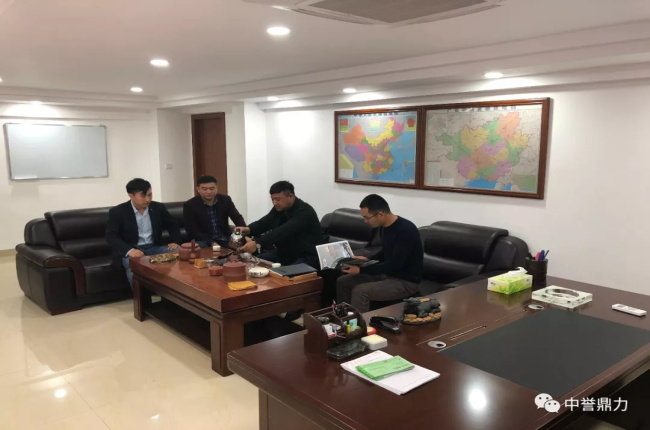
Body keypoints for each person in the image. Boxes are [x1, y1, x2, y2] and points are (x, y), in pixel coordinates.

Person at [336, 194, 423, 313]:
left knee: (360, 291)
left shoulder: (406, 231)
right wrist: (366, 259)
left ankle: (357, 324)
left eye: (367, 218)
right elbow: (386, 251)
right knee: (343, 281)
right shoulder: (384, 226)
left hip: (405, 282)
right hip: (387, 274)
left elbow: (394, 264)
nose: (365, 221)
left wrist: (361, 270)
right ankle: (344, 316)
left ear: (380, 214)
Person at [106, 178, 181, 286]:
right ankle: (139, 295)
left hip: (155, 247)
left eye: (150, 195)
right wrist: (129, 250)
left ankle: (172, 291)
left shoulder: (158, 207)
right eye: (143, 196)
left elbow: (172, 224)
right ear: (131, 195)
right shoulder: (118, 211)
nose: (147, 199)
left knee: (178, 252)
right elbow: (111, 236)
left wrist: (175, 241)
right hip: (134, 249)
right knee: (133, 264)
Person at [236, 180, 324, 269]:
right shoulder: (279, 209)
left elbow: (283, 231)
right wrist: (248, 229)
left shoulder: (305, 212)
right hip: (284, 254)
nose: (275, 203)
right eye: (272, 199)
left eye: (277, 199)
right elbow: (264, 222)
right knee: (252, 262)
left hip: (306, 256)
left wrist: (258, 243)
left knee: (287, 274)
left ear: (290, 196)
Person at [183, 175, 246, 248]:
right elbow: (192, 230)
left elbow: (237, 217)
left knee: (247, 244)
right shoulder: (190, 205)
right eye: (204, 189)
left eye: (212, 188)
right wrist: (211, 242)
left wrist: (245, 233)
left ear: (216, 187)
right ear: (198, 189)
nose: (209, 192)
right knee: (199, 248)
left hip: (225, 237)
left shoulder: (225, 200)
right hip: (204, 240)